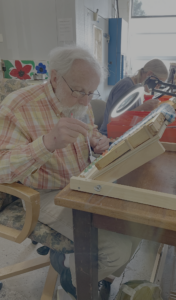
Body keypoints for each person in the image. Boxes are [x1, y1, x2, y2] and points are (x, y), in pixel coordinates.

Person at [0, 45, 140, 300]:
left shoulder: (79, 99)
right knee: (117, 249)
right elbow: (2, 168)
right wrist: (47, 143)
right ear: (54, 77)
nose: (86, 101)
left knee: (136, 229)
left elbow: (88, 131)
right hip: (43, 192)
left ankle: (76, 265)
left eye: (90, 93)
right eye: (79, 91)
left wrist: (97, 140)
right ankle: (73, 280)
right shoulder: (18, 106)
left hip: (82, 184)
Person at [99, 59, 168, 136]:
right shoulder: (126, 86)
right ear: (149, 74)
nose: (157, 87)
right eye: (158, 83)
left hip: (123, 133)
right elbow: (113, 120)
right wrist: (143, 107)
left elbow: (130, 116)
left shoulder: (137, 88)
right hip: (108, 137)